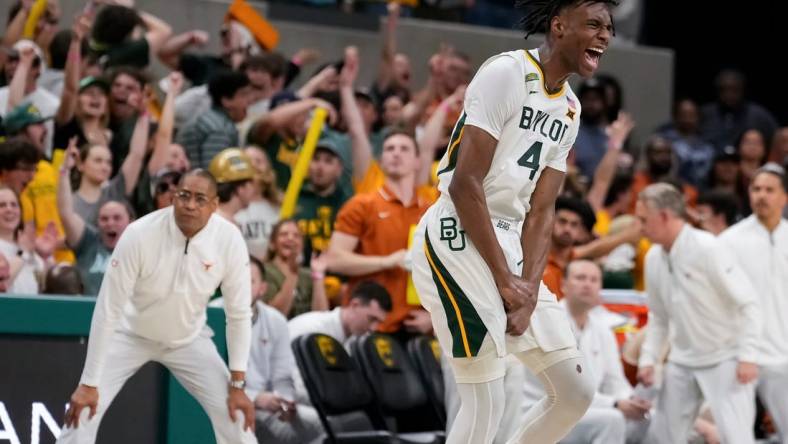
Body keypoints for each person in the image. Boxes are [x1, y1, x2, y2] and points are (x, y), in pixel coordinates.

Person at [408, 1, 619, 442]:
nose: (605, 35)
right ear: (559, 27)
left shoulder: (571, 110)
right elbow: (466, 183)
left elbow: (543, 211)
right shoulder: (506, 72)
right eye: (595, 25)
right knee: (487, 395)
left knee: (576, 391)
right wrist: (506, 280)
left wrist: (526, 288)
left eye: (610, 28)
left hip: (509, 242)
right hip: (457, 233)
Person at [57, 169, 256, 444]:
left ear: (214, 205)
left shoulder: (230, 240)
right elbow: (108, 309)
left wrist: (238, 384)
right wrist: (88, 382)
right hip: (130, 334)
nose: (189, 204)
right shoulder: (139, 234)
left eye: (200, 199)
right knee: (83, 411)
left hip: (190, 340)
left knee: (237, 418)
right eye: (184, 195)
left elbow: (239, 315)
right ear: (173, 198)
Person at [634, 183, 761, 444]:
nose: (639, 226)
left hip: (726, 358)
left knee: (737, 439)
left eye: (643, 219)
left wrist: (748, 355)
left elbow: (749, 303)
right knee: (663, 438)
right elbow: (658, 317)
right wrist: (649, 359)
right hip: (682, 359)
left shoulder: (708, 248)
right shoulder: (653, 258)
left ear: (665, 216)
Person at [521, 260, 650, 444]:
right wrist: (614, 403)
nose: (587, 284)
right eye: (580, 278)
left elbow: (615, 381)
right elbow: (569, 389)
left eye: (594, 280)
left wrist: (631, 401)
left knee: (647, 419)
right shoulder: (549, 322)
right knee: (611, 420)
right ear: (563, 285)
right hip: (545, 411)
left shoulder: (602, 330)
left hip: (589, 409)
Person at [326, 131, 433, 337]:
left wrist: (435, 318)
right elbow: (334, 260)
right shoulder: (361, 205)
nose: (396, 154)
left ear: (418, 161)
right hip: (370, 327)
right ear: (381, 160)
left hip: (417, 326)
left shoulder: (431, 211)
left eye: (404, 149)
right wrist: (386, 262)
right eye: (389, 149)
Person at [719, 163, 788, 443]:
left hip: (784, 354)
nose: (762, 195)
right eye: (756, 189)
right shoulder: (729, 241)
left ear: (784, 197)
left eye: (770, 190)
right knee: (736, 436)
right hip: (741, 354)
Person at [243, 256, 323, 444]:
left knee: (321, 424)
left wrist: (286, 401)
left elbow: (283, 374)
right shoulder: (212, 315)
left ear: (262, 289)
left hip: (270, 403)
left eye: (249, 282)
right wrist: (256, 398)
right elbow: (214, 381)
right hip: (235, 406)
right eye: (235, 279)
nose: (240, 286)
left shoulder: (275, 320)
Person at [57, 139, 134, 295]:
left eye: (117, 218)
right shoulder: (88, 242)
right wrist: (64, 171)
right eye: (104, 219)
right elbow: (66, 213)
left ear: (131, 222)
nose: (110, 223)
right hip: (89, 314)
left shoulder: (139, 249)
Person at [177, 70, 251, 169]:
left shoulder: (206, 120)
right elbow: (214, 172)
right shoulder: (220, 129)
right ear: (226, 100)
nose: (249, 101)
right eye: (243, 95)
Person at [262, 219, 329, 319]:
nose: (290, 238)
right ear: (272, 244)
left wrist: (318, 276)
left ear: (302, 245)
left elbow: (322, 317)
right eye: (284, 234)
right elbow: (274, 316)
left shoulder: (308, 274)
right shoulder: (264, 271)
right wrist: (292, 273)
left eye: (296, 235)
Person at [700, 69, 778, 151]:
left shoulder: (759, 116)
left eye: (734, 90)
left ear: (742, 90)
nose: (729, 95)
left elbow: (777, 142)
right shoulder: (705, 114)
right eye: (723, 89)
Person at [235, 145, 281, 260]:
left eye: (258, 161)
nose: (254, 165)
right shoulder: (230, 205)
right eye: (248, 161)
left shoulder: (280, 206)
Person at [208, 148, 257, 223]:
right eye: (251, 183)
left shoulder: (213, 218)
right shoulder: (224, 223)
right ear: (241, 188)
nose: (254, 189)